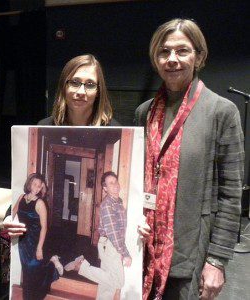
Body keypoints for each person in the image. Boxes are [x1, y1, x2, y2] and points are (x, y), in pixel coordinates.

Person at [135, 19, 244, 300]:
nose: (172, 59)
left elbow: (231, 195)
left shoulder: (222, 111)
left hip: (188, 257)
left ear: (198, 56)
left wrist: (217, 260)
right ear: (155, 59)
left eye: (182, 51)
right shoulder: (144, 113)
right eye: (164, 52)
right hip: (143, 250)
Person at [3, 53, 119, 235]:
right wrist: (11, 217)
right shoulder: (45, 127)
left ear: (99, 91)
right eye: (74, 82)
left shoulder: (113, 131)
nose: (81, 91)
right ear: (64, 86)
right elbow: (21, 181)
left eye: (89, 84)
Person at [64, 171, 132, 300]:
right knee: (118, 281)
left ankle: (81, 264)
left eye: (116, 181)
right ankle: (81, 265)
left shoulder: (118, 202)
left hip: (110, 244)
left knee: (107, 286)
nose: (115, 185)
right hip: (110, 244)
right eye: (111, 183)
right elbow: (113, 232)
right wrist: (125, 252)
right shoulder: (107, 205)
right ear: (105, 188)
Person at [12, 173, 63, 300]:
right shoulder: (21, 197)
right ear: (29, 184)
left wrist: (39, 248)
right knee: (27, 270)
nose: (36, 188)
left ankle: (51, 265)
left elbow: (44, 227)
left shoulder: (40, 203)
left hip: (36, 241)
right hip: (23, 241)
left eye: (39, 186)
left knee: (34, 270)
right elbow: (13, 212)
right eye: (35, 184)